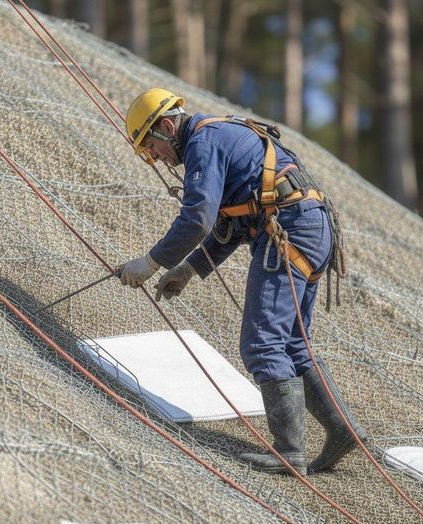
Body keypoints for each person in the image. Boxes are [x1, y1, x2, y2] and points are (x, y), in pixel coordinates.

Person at [118, 88, 366, 475]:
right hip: (311, 225)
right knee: (293, 344)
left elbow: (198, 219)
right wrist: (189, 269)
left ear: (167, 126)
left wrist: (150, 263)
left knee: (262, 343)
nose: (159, 160)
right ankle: (341, 430)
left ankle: (290, 452)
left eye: (153, 147)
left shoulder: (203, 142)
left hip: (289, 231)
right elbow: (232, 225)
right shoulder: (219, 135)